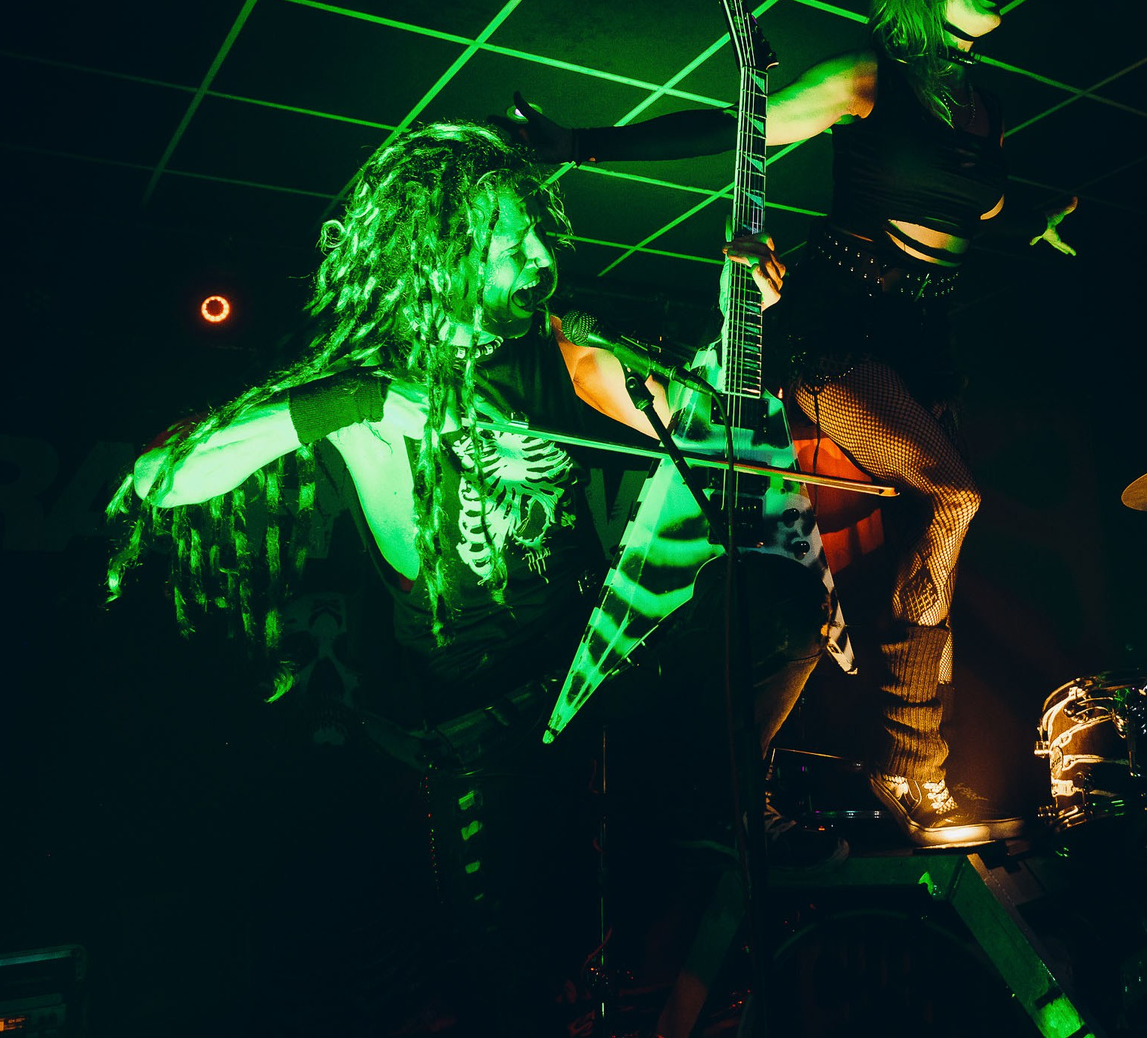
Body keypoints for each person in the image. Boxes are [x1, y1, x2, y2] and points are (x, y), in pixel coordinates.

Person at [106, 121, 842, 1034]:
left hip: (588, 689)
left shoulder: (551, 347)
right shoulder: (366, 388)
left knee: (779, 601)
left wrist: (739, 324)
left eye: (537, 235)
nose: (540, 259)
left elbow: (700, 424)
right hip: (483, 739)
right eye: (509, 243)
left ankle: (727, 825)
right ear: (438, 253)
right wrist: (362, 401)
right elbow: (160, 477)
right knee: (516, 991)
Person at [492, 0, 1079, 847]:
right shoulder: (870, 77)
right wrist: (582, 144)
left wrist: (1031, 225)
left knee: (932, 540)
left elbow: (972, 210)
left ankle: (910, 764)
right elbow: (742, 132)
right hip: (836, 329)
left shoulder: (984, 104)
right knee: (955, 495)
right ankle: (906, 761)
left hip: (925, 341)